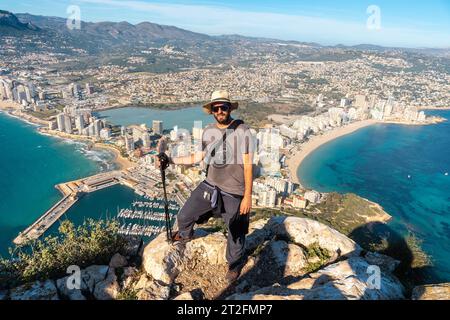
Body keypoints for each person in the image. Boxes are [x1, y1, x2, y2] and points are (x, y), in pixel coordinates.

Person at [156, 90, 254, 283]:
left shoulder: (243, 131)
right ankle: (185, 235)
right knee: (184, 216)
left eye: (223, 107)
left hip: (234, 191)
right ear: (211, 111)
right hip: (210, 185)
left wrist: (248, 196)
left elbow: (249, 165)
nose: (220, 111)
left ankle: (234, 264)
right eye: (216, 108)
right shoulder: (208, 131)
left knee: (236, 233)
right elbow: (198, 157)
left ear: (229, 108)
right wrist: (170, 160)